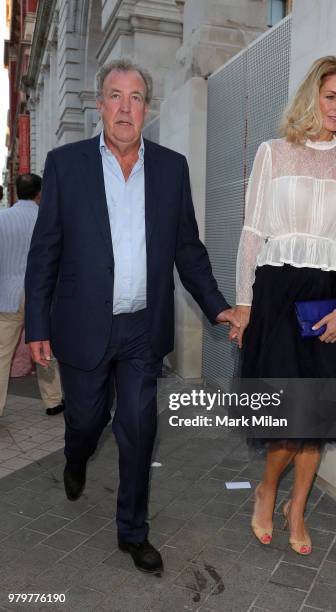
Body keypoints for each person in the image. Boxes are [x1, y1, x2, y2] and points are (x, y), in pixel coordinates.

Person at [25, 58, 237, 575]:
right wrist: (37, 325)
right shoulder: (66, 164)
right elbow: (44, 251)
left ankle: (133, 532)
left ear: (147, 108)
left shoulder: (170, 168)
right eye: (115, 96)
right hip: (82, 326)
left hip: (143, 327)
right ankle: (76, 457)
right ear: (100, 104)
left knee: (140, 428)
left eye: (135, 97)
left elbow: (188, 249)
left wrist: (219, 305)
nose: (125, 107)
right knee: (87, 420)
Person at [229, 56, 336, 555]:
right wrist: (244, 305)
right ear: (313, 96)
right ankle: (268, 488)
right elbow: (251, 234)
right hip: (273, 292)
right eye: (330, 95)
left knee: (318, 418)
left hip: (324, 298)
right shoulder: (274, 153)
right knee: (286, 421)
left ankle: (297, 507)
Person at [0, 173, 64, 418]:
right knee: (45, 347)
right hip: (43, 293)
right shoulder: (49, 219)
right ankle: (53, 401)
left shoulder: (2, 219)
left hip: (7, 293)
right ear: (40, 193)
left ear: (14, 191)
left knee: (2, 353)